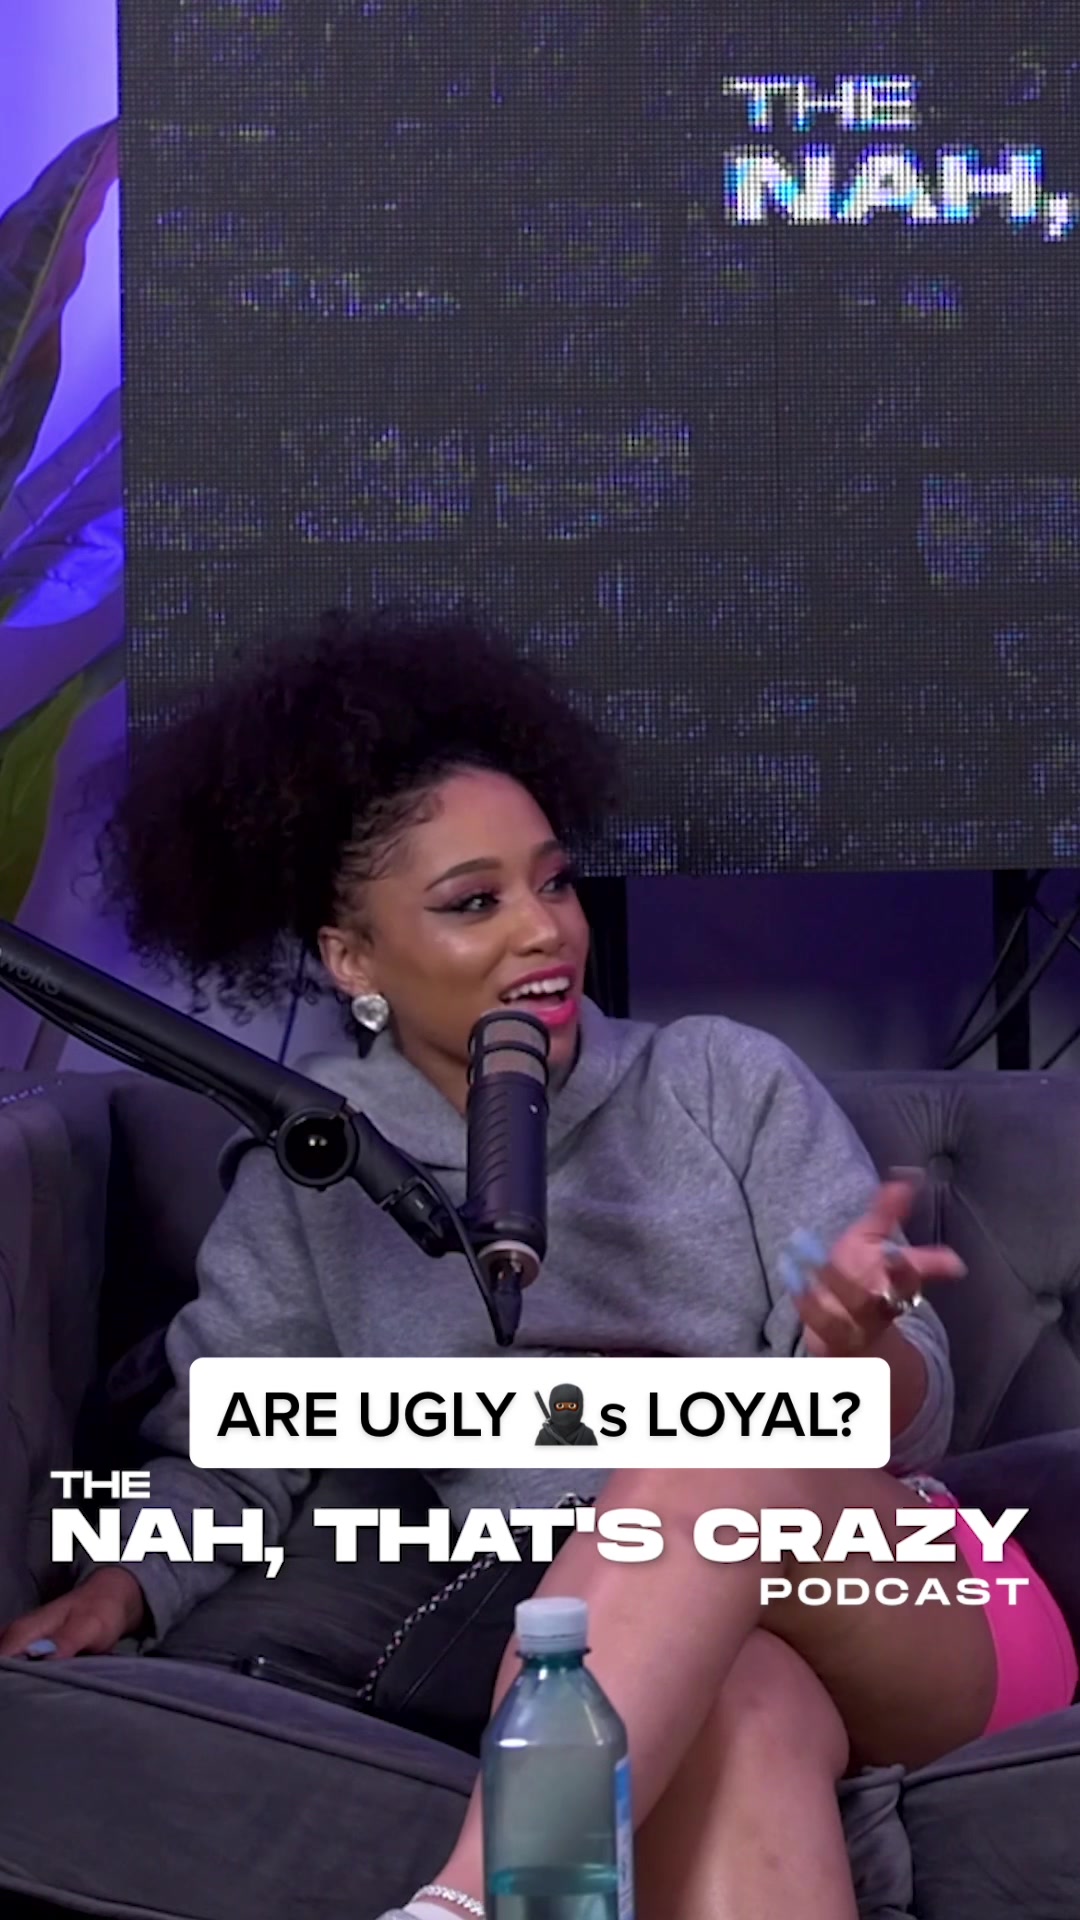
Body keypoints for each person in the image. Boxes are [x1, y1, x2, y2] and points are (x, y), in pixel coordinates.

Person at [2, 608, 1074, 1920]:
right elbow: (237, 1452)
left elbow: (899, 1421)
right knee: (722, 1709)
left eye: (553, 884)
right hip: (603, 1651)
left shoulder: (722, 1083)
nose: (544, 934)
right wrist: (128, 1586)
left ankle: (462, 1904)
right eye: (474, 903)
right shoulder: (312, 1175)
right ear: (353, 959)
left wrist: (860, 1346)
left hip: (898, 1595)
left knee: (700, 1473)